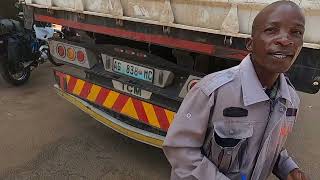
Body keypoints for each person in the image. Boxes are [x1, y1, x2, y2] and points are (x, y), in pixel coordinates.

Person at [163, 1, 309, 180]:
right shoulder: (212, 91)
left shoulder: (291, 100)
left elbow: (267, 143)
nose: (285, 40)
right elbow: (180, 149)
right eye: (271, 30)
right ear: (250, 43)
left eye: (296, 32)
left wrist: (288, 168)